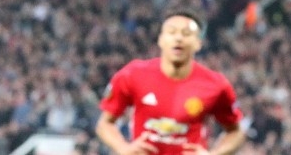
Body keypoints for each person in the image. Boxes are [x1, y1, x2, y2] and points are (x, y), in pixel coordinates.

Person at [95, 9, 246, 154]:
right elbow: (105, 124)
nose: (178, 38)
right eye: (172, 32)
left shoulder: (215, 85)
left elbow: (236, 132)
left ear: (198, 43)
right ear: (161, 39)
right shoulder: (133, 74)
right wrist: (123, 149)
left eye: (186, 33)